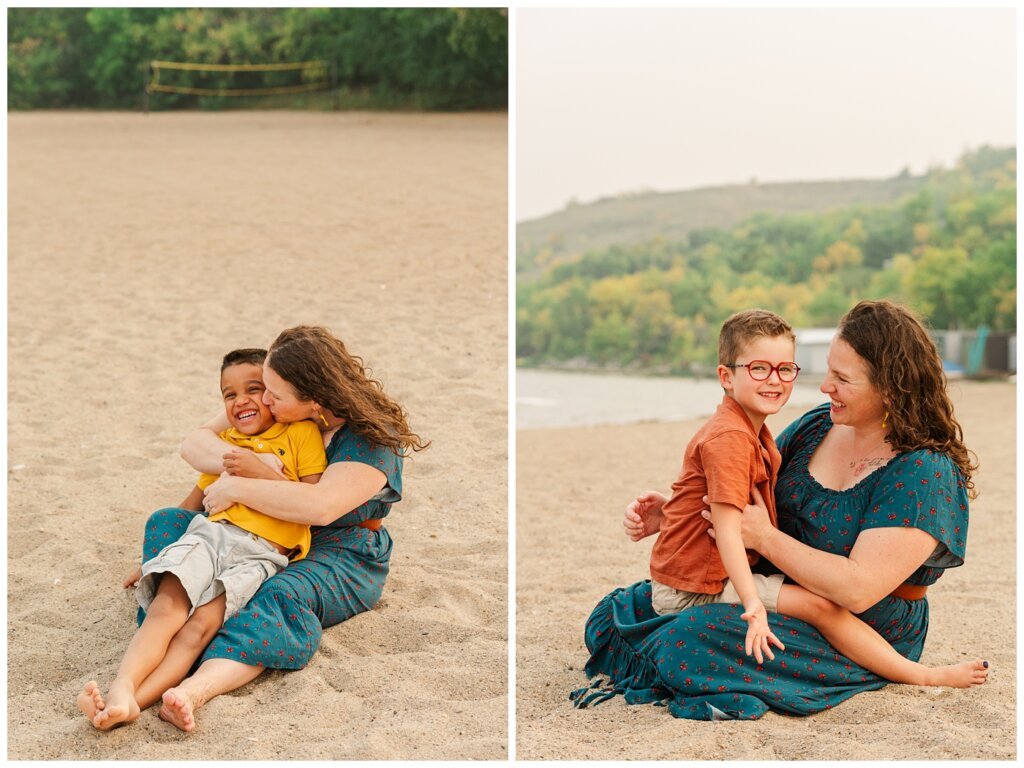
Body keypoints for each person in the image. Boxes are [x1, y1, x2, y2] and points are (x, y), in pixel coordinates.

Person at [573, 300, 986, 720]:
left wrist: (766, 538)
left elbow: (858, 590)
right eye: (827, 370)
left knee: (687, 640)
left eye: (842, 378)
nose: (825, 386)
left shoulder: (924, 472)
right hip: (776, 590)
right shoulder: (817, 426)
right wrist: (677, 514)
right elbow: (738, 490)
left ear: (890, 388)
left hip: (862, 627)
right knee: (618, 610)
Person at [122, 326, 425, 732]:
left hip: (339, 548)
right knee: (167, 524)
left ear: (314, 399)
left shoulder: (371, 438)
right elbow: (195, 442)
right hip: (258, 530)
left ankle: (196, 687)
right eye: (264, 386)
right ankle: (170, 633)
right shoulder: (282, 404)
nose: (263, 399)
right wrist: (244, 461)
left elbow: (320, 508)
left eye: (273, 394)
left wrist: (242, 481)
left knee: (279, 594)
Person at [78, 348, 327, 730]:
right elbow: (189, 509)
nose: (240, 400)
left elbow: (310, 500)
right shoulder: (225, 445)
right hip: (211, 537)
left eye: (254, 389)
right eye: (229, 394)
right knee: (167, 609)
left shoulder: (300, 434)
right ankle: (122, 689)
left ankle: (135, 703)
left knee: (197, 631)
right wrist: (153, 562)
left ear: (273, 395)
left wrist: (257, 473)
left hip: (261, 556)